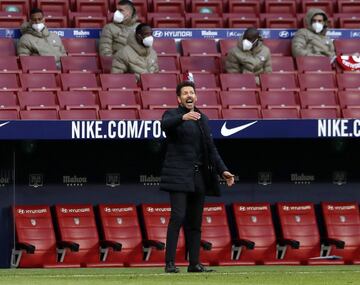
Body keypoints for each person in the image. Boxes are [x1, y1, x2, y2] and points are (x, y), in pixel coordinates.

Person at [160, 80, 235, 273]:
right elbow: (164, 126)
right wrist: (183, 118)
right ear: (179, 98)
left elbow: (211, 149)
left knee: (195, 222)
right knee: (177, 218)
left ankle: (194, 263)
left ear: (196, 96)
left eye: (191, 92)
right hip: (178, 175)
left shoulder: (203, 118)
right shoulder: (173, 115)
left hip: (198, 176)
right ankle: (170, 263)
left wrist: (223, 170)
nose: (189, 95)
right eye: (185, 93)